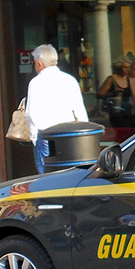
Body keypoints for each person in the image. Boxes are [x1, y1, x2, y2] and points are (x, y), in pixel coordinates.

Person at [25, 44, 88, 174]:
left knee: (46, 176)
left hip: (46, 135)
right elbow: (80, 111)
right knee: (68, 174)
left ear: (40, 64)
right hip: (68, 135)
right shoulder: (70, 80)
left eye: (34, 62)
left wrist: (34, 138)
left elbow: (31, 114)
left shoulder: (36, 83)